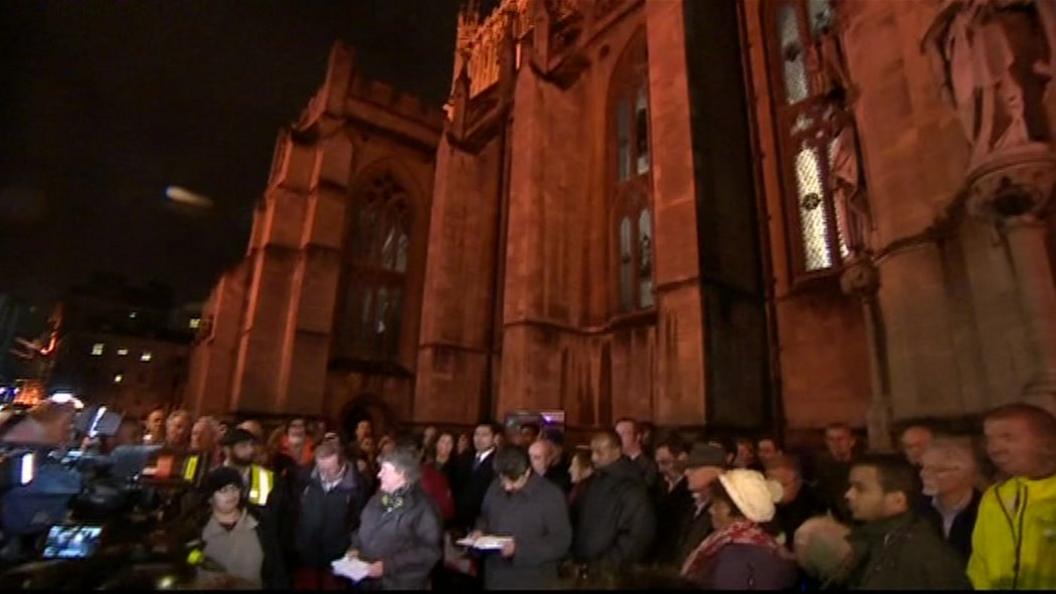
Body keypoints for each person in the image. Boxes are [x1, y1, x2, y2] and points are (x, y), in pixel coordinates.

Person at [840, 454, 969, 589]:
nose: (849, 495)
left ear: (898, 500)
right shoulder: (870, 540)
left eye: (860, 489)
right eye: (851, 487)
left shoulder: (926, 556)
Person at [968, 402, 1056, 590]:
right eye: (989, 439)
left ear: (1047, 443)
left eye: (1008, 437)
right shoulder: (994, 497)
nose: (994, 448)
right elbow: (979, 565)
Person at [473, 446, 572, 589]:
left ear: (526, 472)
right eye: (503, 480)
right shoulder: (495, 486)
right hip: (495, 577)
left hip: (531, 579)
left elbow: (560, 541)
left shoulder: (551, 495)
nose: (507, 487)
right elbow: (484, 516)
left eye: (513, 481)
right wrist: (480, 530)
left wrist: (519, 550)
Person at [680, 469, 797, 589]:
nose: (711, 510)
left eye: (716, 504)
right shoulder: (771, 545)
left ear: (726, 508)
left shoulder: (735, 556)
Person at [346, 446, 442, 590]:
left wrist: (388, 565)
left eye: (385, 470)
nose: (379, 475)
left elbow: (429, 551)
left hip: (401, 583)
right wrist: (355, 548)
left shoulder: (423, 507)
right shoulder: (379, 498)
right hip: (368, 579)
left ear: (401, 474)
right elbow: (363, 528)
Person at [572, 429, 655, 576]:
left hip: (612, 575)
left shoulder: (631, 487)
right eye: (592, 452)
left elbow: (636, 535)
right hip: (587, 569)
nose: (594, 458)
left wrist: (603, 567)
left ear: (617, 451)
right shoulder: (593, 483)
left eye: (600, 452)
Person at [196, 467, 288, 589]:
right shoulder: (197, 529)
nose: (231, 494)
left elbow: (276, 571)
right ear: (210, 497)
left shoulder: (259, 526)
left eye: (234, 488)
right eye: (223, 490)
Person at [293, 439, 368, 590]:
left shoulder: (358, 486)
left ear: (342, 464)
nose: (324, 474)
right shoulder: (304, 477)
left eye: (329, 469)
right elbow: (294, 509)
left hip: (338, 558)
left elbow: (359, 522)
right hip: (306, 554)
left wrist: (352, 547)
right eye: (321, 469)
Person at [918, 437, 981, 564]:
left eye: (936, 470)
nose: (924, 474)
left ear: (962, 472)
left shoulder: (986, 510)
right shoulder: (915, 509)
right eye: (924, 467)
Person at [676, 442, 728, 567]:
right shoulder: (691, 505)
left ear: (715, 471)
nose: (686, 473)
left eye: (694, 468)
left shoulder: (722, 511)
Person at [649, 438, 694, 565]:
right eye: (657, 463)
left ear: (683, 458)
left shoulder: (691, 489)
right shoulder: (657, 485)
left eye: (665, 463)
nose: (660, 469)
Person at [765, 454, 825, 550]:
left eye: (783, 484)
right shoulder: (762, 503)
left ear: (798, 483)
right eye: (772, 485)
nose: (776, 490)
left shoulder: (816, 505)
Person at [454, 422, 500, 532]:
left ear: (494, 438)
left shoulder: (497, 462)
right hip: (461, 519)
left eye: (484, 435)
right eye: (476, 434)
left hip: (484, 519)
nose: (479, 439)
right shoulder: (465, 458)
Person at [815, 422, 857, 523]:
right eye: (831, 439)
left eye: (840, 439)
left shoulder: (861, 467)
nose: (836, 444)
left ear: (852, 441)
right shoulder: (820, 468)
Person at [614, 418, 659, 491]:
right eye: (617, 434)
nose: (619, 438)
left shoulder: (649, 465)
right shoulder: (614, 463)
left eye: (624, 433)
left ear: (638, 437)